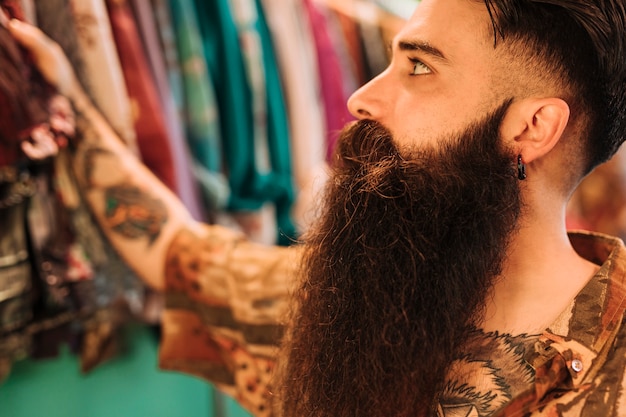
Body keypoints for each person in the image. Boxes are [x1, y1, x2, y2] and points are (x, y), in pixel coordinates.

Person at [7, 0, 626, 415]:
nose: (360, 97)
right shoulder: (352, 307)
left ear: (533, 126)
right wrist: (68, 104)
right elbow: (177, 252)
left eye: (418, 68)